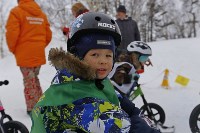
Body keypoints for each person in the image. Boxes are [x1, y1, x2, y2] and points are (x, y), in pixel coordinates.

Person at [31, 12, 160, 133]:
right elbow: (123, 127)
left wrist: (135, 113)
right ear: (78, 56)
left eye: (108, 56)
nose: (103, 61)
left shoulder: (95, 80)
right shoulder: (73, 94)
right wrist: (144, 123)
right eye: (95, 54)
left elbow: (122, 101)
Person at [5, 0, 52, 115]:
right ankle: (41, 104)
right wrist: (39, 46)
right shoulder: (41, 14)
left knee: (29, 81)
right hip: (38, 53)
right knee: (34, 79)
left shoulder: (16, 12)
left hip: (24, 54)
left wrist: (14, 49)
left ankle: (33, 108)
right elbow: (48, 35)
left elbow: (11, 33)